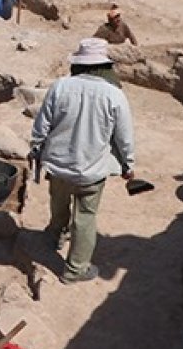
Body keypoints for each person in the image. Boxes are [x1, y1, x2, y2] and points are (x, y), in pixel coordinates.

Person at [30, 38, 136, 284]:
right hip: (92, 170)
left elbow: (42, 124)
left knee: (59, 203)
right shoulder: (114, 95)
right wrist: (128, 166)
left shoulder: (60, 87)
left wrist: (36, 148)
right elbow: (124, 137)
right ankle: (75, 269)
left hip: (59, 165)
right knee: (85, 217)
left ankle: (54, 235)